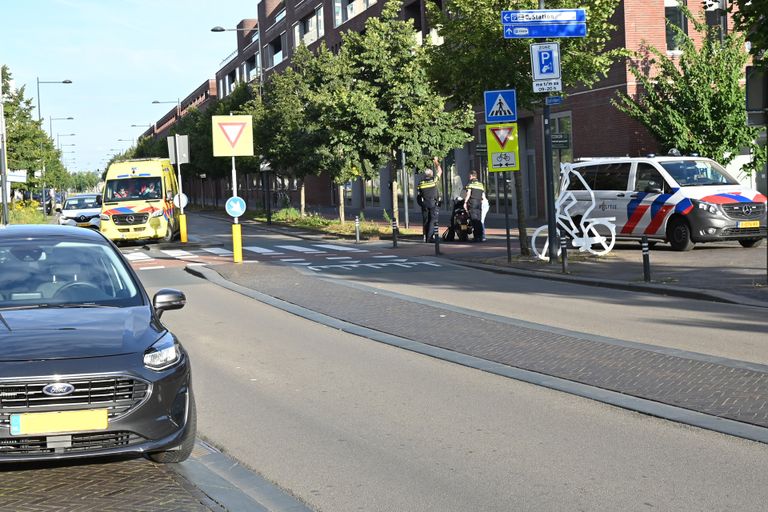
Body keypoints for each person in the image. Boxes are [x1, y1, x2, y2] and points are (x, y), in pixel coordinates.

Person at [416, 156, 442, 243]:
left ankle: (425, 236)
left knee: (426, 220)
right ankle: (429, 238)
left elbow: (419, 195)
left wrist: (421, 204)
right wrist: (436, 161)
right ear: (431, 174)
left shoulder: (420, 183)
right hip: (433, 203)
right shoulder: (434, 180)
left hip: (424, 204)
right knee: (433, 220)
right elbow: (440, 171)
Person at [463, 170, 487, 242]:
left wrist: (465, 202)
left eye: (469, 176)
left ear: (471, 176)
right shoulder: (481, 184)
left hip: (472, 203)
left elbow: (468, 194)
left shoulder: (470, 184)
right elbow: (483, 195)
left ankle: (476, 237)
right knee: (479, 220)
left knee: (474, 220)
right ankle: (480, 236)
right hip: (479, 203)